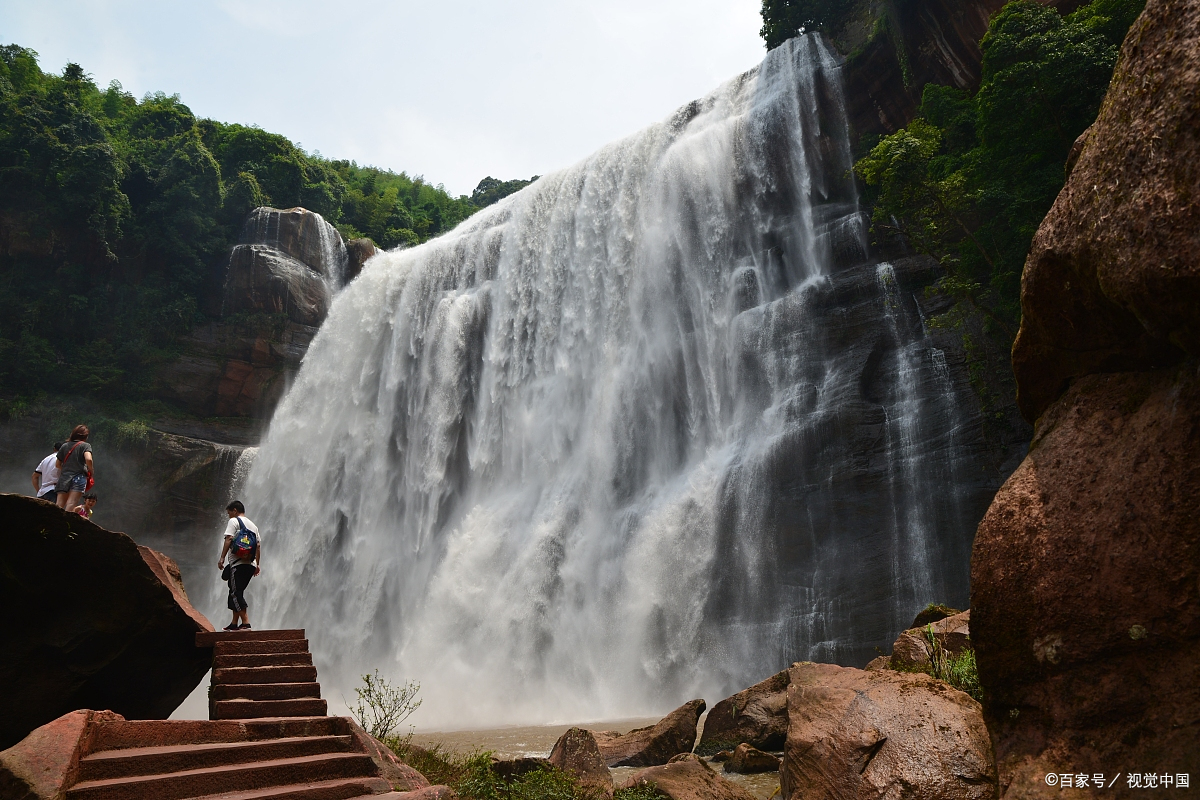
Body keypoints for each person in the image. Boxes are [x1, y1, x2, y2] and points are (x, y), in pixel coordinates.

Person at [217, 500, 262, 632]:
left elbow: (229, 539)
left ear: (235, 510)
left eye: (229, 512)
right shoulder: (253, 525)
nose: (229, 516)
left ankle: (246, 623)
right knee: (237, 591)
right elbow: (258, 546)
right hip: (250, 565)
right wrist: (257, 565)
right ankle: (234, 623)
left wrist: (222, 558)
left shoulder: (234, 521)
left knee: (235, 594)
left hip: (238, 564)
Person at [55, 425, 93, 511]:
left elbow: (57, 464)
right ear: (85, 436)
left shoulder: (64, 446)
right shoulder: (85, 445)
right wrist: (91, 470)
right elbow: (88, 459)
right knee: (71, 503)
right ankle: (66, 523)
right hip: (78, 477)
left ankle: (55, 522)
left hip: (64, 477)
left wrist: (66, 470)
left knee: (59, 504)